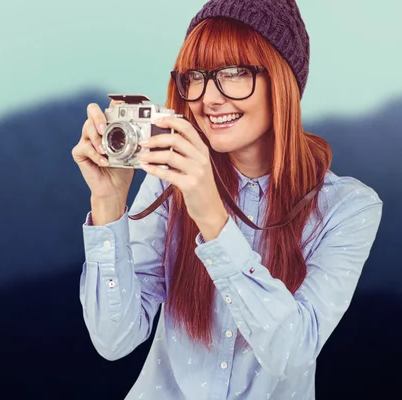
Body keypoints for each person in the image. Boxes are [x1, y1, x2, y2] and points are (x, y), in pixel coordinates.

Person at [71, 0, 383, 398]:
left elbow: (292, 351)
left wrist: (213, 220)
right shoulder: (168, 182)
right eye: (196, 76)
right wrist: (109, 203)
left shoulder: (348, 209)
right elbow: (114, 340)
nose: (209, 98)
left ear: (283, 81)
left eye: (234, 74)